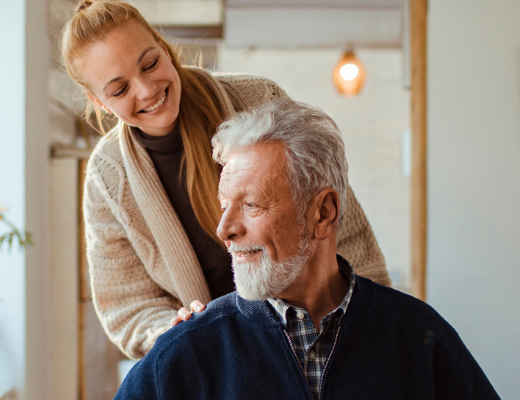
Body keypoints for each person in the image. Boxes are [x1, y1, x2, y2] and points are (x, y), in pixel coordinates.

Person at [61, 0, 391, 359]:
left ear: (164, 45)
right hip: (215, 360)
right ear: (99, 101)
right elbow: (127, 307)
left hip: (317, 335)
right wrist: (171, 328)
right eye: (120, 90)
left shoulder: (259, 100)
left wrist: (375, 322)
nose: (146, 90)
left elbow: (341, 227)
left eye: (150, 63)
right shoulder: (106, 177)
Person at [114, 99, 499, 400]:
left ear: (323, 213)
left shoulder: (421, 337)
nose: (224, 229)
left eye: (251, 205)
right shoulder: (184, 354)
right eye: (224, 205)